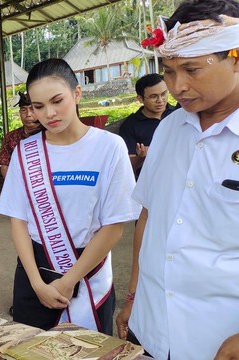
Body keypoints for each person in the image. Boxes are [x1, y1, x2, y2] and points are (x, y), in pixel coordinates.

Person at [115, 1, 239, 358]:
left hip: (219, 340)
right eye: (168, 71)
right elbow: (149, 217)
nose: (177, 86)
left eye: (192, 69)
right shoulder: (169, 129)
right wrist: (133, 299)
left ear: (236, 57)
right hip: (153, 327)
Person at [0, 58, 139, 335]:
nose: (48, 113)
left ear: (76, 93)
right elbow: (18, 222)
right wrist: (37, 284)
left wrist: (68, 280)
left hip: (88, 273)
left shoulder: (109, 147)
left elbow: (114, 226)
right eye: (38, 106)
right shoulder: (25, 152)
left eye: (57, 100)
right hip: (34, 271)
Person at [118, 73, 176, 177]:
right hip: (153, 181)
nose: (160, 100)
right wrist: (142, 157)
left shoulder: (178, 114)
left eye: (163, 94)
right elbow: (128, 167)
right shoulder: (131, 125)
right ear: (140, 98)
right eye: (154, 96)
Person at [0, 91, 43, 177]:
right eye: (23, 110)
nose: (28, 114)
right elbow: (5, 166)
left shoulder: (50, 134)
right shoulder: (10, 137)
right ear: (19, 113)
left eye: (32, 109)